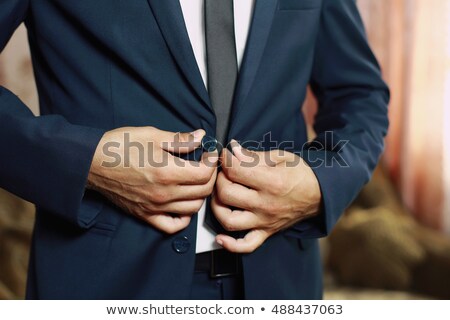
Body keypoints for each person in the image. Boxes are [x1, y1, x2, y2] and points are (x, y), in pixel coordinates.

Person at [0, 0, 389, 299]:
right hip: (102, 281)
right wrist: (88, 162)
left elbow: (358, 94)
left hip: (281, 282)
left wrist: (319, 181)